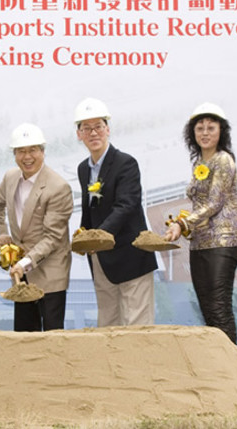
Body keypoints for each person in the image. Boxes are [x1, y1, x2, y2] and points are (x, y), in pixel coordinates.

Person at [74, 97, 157, 327]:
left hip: (131, 257)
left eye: (98, 126)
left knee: (136, 325)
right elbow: (89, 212)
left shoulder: (126, 163)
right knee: (108, 325)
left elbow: (126, 205)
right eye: (86, 128)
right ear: (78, 134)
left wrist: (97, 237)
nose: (93, 133)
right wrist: (84, 238)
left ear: (108, 129)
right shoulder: (83, 169)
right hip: (101, 259)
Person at [165, 103, 237, 343]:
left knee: (219, 308)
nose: (205, 133)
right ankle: (220, 368)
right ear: (192, 133)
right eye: (200, 128)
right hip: (200, 243)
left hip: (223, 241)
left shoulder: (223, 160)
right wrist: (182, 223)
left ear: (222, 131)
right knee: (208, 309)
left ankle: (234, 372)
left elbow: (214, 203)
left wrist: (182, 224)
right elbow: (200, 205)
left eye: (211, 127)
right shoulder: (199, 162)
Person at [0, 123, 74, 331]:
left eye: (33, 150)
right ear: (14, 154)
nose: (27, 157)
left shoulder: (58, 187)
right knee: (25, 336)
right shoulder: (10, 177)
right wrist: (1, 233)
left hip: (50, 274)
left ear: (43, 152)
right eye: (21, 151)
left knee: (53, 337)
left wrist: (24, 262)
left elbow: (53, 237)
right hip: (22, 274)